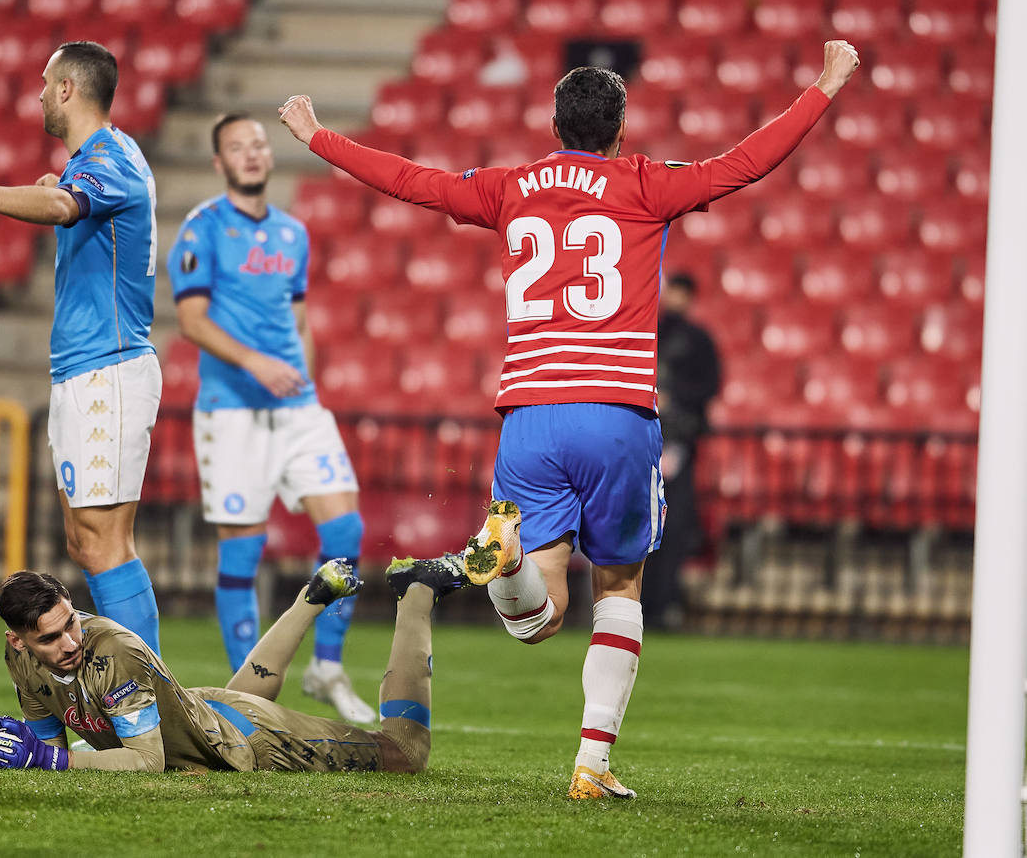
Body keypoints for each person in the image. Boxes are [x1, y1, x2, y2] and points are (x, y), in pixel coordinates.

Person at [279, 39, 862, 799]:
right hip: (615, 412)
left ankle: (510, 558)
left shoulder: (511, 187)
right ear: (621, 130)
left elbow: (413, 183)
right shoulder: (647, 183)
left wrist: (319, 136)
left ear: (555, 129)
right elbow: (746, 162)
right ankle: (592, 763)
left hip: (529, 414)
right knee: (619, 585)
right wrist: (823, 85)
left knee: (538, 618)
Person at [0, 41, 163, 653]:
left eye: (44, 82)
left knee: (104, 543)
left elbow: (62, 206)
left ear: (68, 90)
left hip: (107, 370)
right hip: (85, 370)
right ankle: (136, 691)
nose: (38, 94)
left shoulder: (108, 158)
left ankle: (146, 700)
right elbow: (76, 197)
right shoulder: (109, 155)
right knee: (83, 542)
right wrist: (61, 184)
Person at [164, 113, 373, 723]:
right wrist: (258, 365)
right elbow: (193, 320)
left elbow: (300, 319)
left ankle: (326, 666)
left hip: (297, 408)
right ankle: (246, 693)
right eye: (237, 147)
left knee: (346, 533)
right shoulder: (202, 229)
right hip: (232, 413)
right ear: (219, 163)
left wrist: (302, 376)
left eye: (258, 144)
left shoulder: (292, 233)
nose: (252, 154)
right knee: (242, 552)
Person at [0, 554, 467, 773]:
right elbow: (47, 738)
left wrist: (50, 761)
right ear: (17, 642)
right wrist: (34, 756)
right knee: (226, 705)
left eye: (71, 622)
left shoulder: (112, 652)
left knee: (404, 753)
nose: (69, 641)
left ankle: (416, 591)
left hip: (248, 740)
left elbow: (147, 763)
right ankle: (313, 597)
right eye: (50, 637)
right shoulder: (17, 660)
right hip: (204, 712)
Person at [647, 273, 721, 630]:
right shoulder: (648, 332)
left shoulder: (698, 341)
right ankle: (639, 602)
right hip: (646, 441)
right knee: (642, 521)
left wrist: (677, 401)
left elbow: (710, 387)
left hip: (679, 444)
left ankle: (665, 602)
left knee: (673, 525)